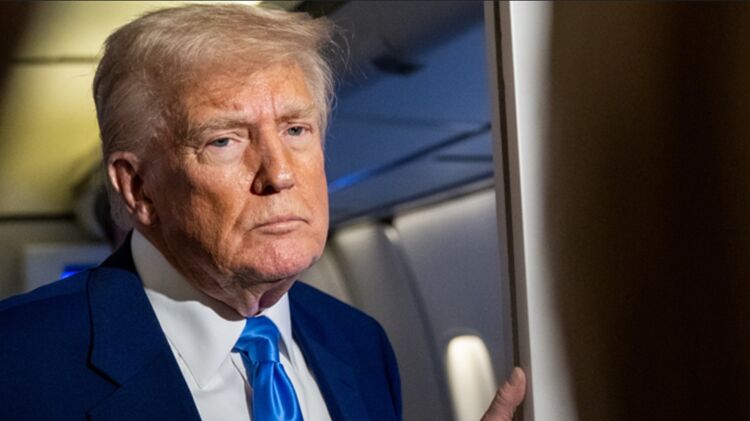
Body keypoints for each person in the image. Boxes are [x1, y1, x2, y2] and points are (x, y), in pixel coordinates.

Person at [0, 4, 524, 420]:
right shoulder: (19, 361)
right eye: (224, 140)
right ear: (138, 187)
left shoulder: (359, 343)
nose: (279, 174)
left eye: (296, 130)